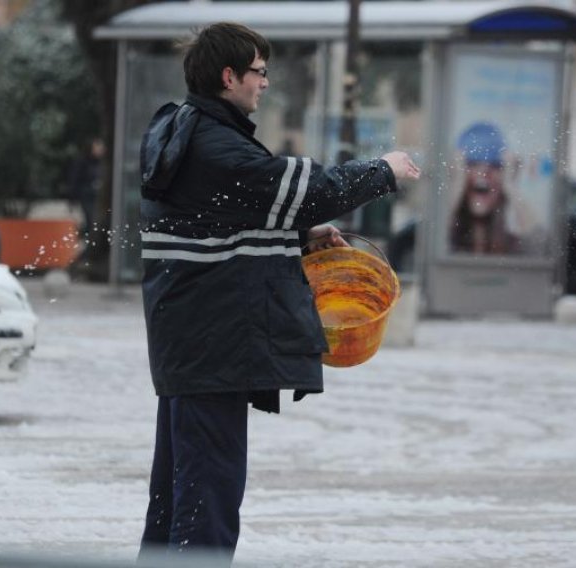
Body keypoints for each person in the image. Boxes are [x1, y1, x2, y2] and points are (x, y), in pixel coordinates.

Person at [137, 22, 420, 564]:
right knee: (207, 507)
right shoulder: (219, 146)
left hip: (190, 346)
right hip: (212, 350)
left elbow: (215, 220)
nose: (265, 83)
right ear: (229, 76)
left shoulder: (185, 130)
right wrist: (383, 169)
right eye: (259, 72)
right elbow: (309, 189)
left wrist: (295, 236)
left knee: (178, 501)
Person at [449, 122, 541, 255]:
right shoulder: (444, 243)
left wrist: (511, 187)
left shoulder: (513, 247)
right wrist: (456, 186)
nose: (484, 171)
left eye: (495, 165)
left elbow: (544, 249)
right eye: (473, 163)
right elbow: (430, 241)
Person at [67, 138, 105, 238]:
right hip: (86, 196)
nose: (100, 150)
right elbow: (74, 179)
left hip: (98, 196)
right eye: (97, 148)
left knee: (96, 221)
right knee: (91, 220)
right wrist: (72, 198)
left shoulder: (102, 163)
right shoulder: (82, 162)